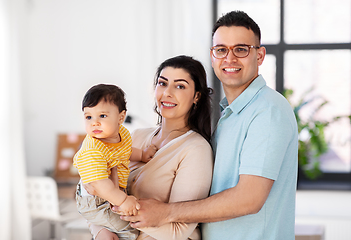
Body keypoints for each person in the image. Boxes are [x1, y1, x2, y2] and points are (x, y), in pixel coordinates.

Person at [119, 11, 298, 240]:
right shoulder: (229, 115)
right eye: (221, 50)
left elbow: (249, 198)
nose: (229, 59)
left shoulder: (268, 110)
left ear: (260, 55)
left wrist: (166, 213)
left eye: (241, 49)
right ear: (212, 56)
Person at [86, 55, 214, 240]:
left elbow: (179, 231)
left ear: (196, 96)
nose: (167, 93)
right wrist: (100, 230)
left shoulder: (196, 150)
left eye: (180, 86)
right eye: (162, 83)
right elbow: (93, 195)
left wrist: (122, 208)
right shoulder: (134, 137)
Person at [73, 84, 157, 239]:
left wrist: (143, 155)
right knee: (129, 229)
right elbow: (99, 186)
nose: (94, 123)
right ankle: (103, 231)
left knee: (121, 221)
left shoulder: (122, 134)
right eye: (88, 117)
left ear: (121, 117)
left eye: (102, 116)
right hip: (95, 200)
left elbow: (126, 150)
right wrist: (123, 200)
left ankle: (104, 230)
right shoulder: (92, 150)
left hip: (111, 190)